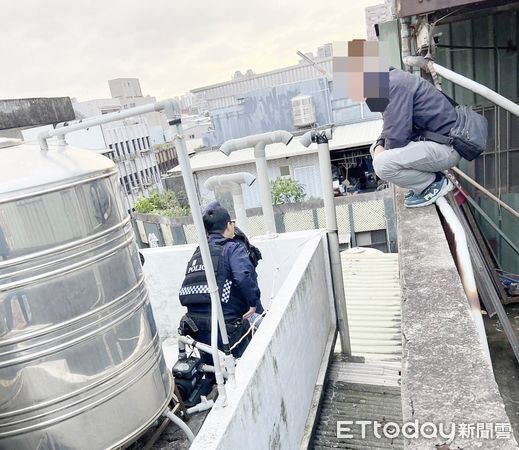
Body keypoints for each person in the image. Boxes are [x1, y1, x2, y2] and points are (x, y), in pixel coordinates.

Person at [178, 204, 261, 365]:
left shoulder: (198, 252)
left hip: (196, 330)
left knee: (213, 370)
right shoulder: (232, 248)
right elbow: (243, 276)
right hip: (227, 330)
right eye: (232, 223)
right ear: (229, 225)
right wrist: (253, 304)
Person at [370, 68, 459, 207]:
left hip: (447, 149)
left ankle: (433, 183)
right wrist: (379, 145)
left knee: (382, 164)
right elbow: (390, 126)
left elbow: (396, 139)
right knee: (376, 149)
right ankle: (421, 185)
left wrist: (382, 150)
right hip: (436, 144)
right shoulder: (391, 80)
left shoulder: (393, 85)